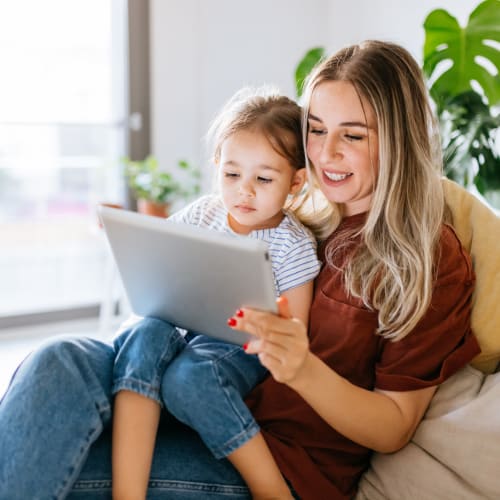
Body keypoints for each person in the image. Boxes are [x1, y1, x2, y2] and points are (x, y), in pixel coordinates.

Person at [0, 40, 480, 500]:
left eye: (352, 135)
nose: (324, 153)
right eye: (316, 129)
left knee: (47, 461)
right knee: (56, 358)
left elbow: (394, 426)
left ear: (400, 139)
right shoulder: (301, 210)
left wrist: (302, 369)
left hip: (266, 454)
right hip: (176, 389)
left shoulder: (428, 260)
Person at [110, 87, 321, 500]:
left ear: (295, 182)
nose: (244, 191)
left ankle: (270, 491)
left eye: (263, 179)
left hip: (240, 348)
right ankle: (127, 490)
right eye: (231, 174)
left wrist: (275, 327)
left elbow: (295, 332)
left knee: (192, 376)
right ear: (217, 167)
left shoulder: (290, 243)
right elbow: (159, 260)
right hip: (185, 327)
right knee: (142, 335)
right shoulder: (203, 212)